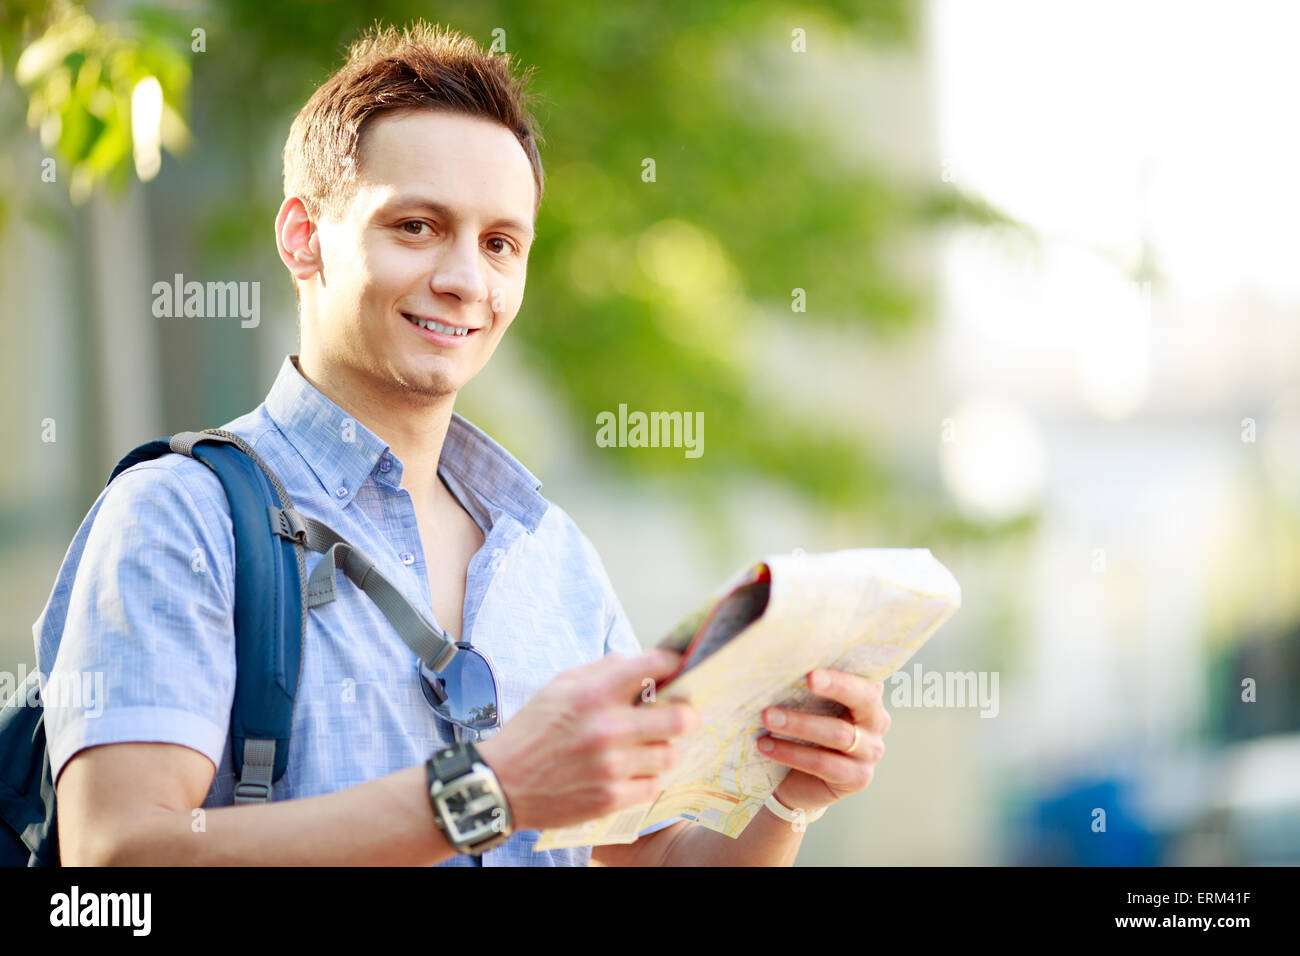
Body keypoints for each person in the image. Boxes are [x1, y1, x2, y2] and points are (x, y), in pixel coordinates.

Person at [33, 21, 890, 866]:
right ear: (303, 236)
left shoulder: (550, 554)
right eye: (415, 226)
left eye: (499, 243)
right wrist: (491, 791)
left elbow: (652, 857)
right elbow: (119, 856)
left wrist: (786, 798)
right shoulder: (179, 516)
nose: (465, 280)